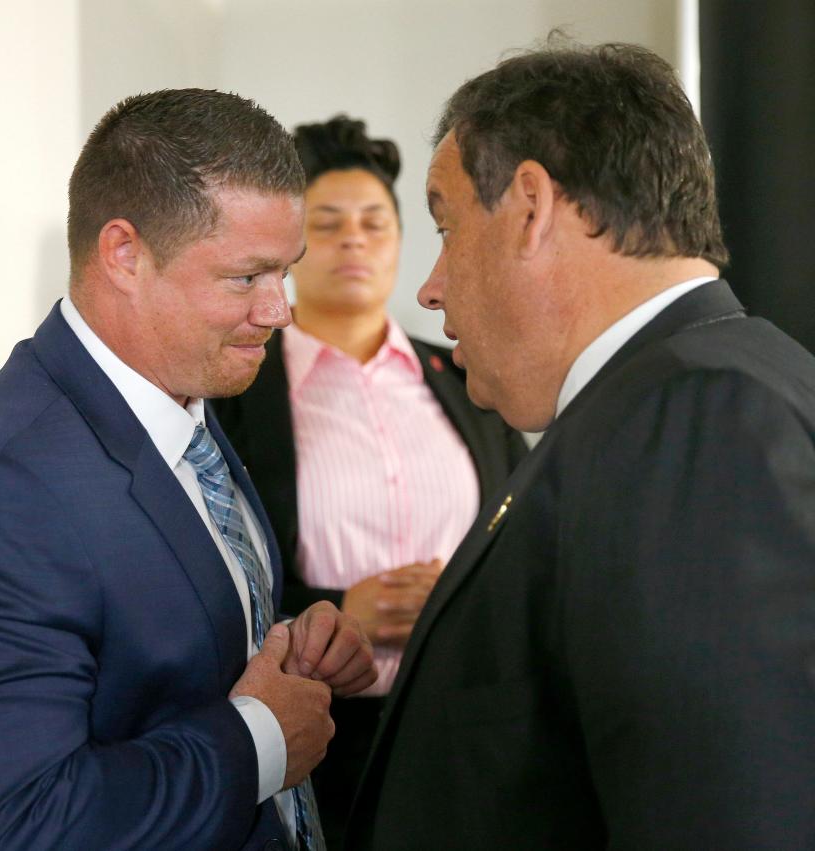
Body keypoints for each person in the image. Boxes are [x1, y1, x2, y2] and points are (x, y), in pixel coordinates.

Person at [0, 88, 377, 851]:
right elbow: (8, 827)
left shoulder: (191, 410)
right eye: (246, 277)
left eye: (286, 271)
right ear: (123, 254)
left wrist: (279, 639)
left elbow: (150, 649)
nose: (280, 309)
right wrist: (261, 741)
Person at [346, 40, 815, 850]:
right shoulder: (665, 402)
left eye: (447, 227)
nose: (429, 286)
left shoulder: (695, 418)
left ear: (530, 207)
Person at [211, 115, 523, 847]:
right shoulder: (237, 391)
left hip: (469, 729)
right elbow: (209, 567)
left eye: (373, 222)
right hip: (322, 739)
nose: (354, 239)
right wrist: (338, 608)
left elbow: (522, 531)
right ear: (290, 248)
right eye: (327, 223)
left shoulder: (470, 372)